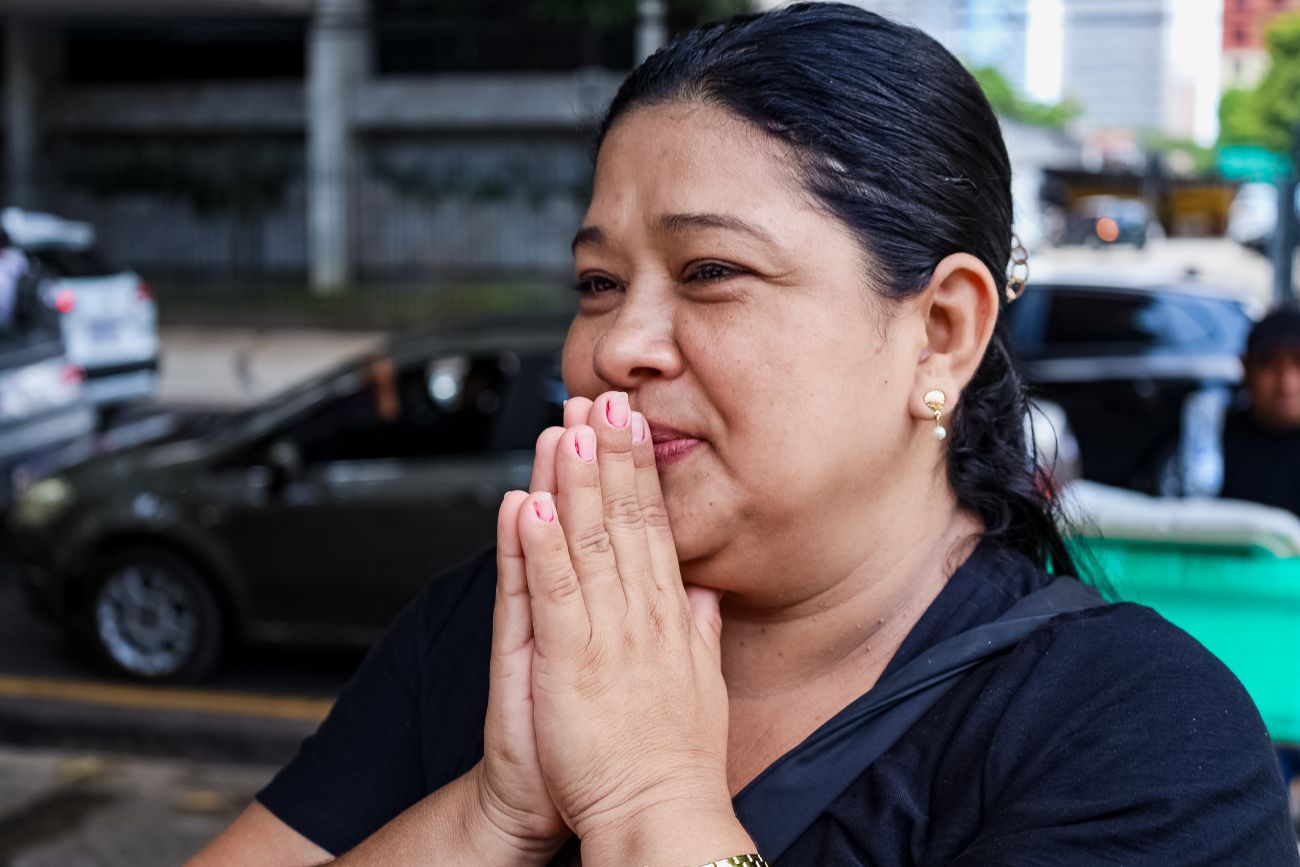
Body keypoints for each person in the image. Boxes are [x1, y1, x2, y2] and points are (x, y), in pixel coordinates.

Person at [191, 5, 1298, 865]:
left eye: (711, 272)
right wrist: (493, 811)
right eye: (595, 281)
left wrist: (650, 799)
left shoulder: (1139, 735)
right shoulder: (486, 630)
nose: (614, 348)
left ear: (942, 335)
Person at [1221, 304, 1300, 517]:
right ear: (1246, 369)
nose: (1286, 384)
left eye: (1298, 363)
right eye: (1269, 364)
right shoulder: (1212, 443)